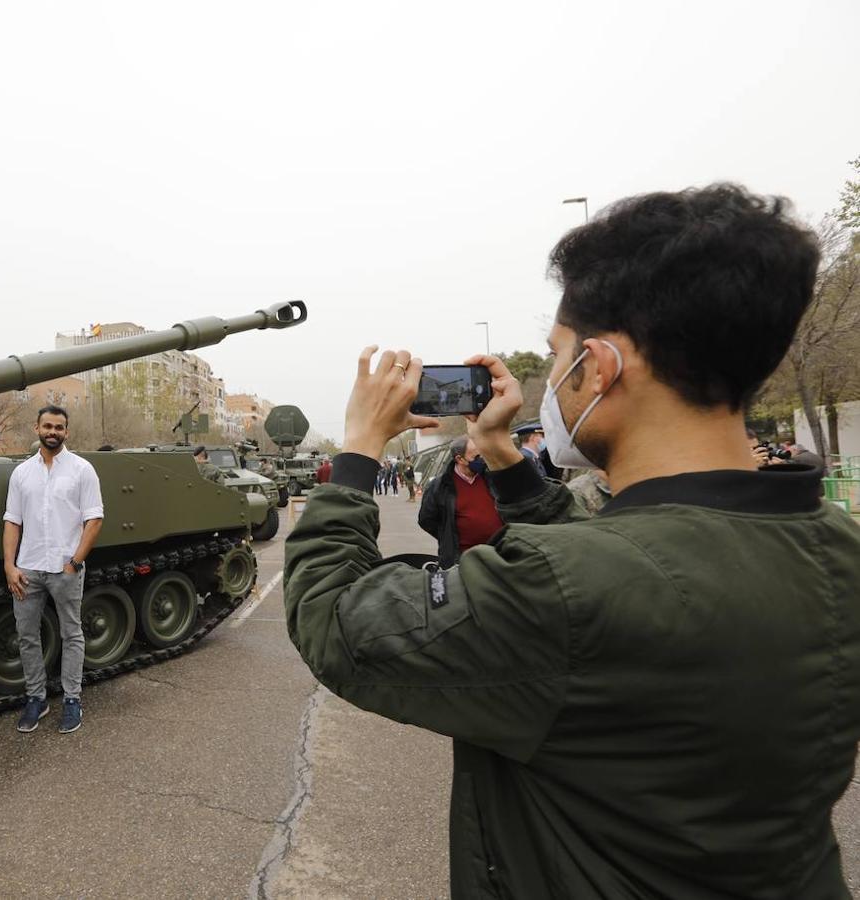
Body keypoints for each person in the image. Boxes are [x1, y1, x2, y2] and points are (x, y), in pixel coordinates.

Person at [284, 185, 860, 897]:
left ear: (600, 367)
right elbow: (619, 568)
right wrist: (500, 451)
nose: (551, 383)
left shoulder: (563, 591)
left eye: (559, 360)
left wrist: (360, 445)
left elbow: (335, 622)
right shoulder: (832, 542)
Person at [3, 405, 104, 734]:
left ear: (66, 432)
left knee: (71, 634)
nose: (53, 432)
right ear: (37, 428)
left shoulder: (81, 469)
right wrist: (9, 565)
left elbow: (94, 519)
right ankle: (37, 698)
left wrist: (75, 562)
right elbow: (12, 521)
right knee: (27, 636)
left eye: (59, 427)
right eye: (47, 426)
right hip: (28, 568)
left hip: (65, 568)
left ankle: (72, 699)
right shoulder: (22, 473)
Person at [416, 437, 503, 566]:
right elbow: (426, 519)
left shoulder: (492, 478)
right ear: (460, 459)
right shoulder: (440, 486)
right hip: (462, 561)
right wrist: (449, 536)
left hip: (498, 556)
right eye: (477, 456)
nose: (482, 459)